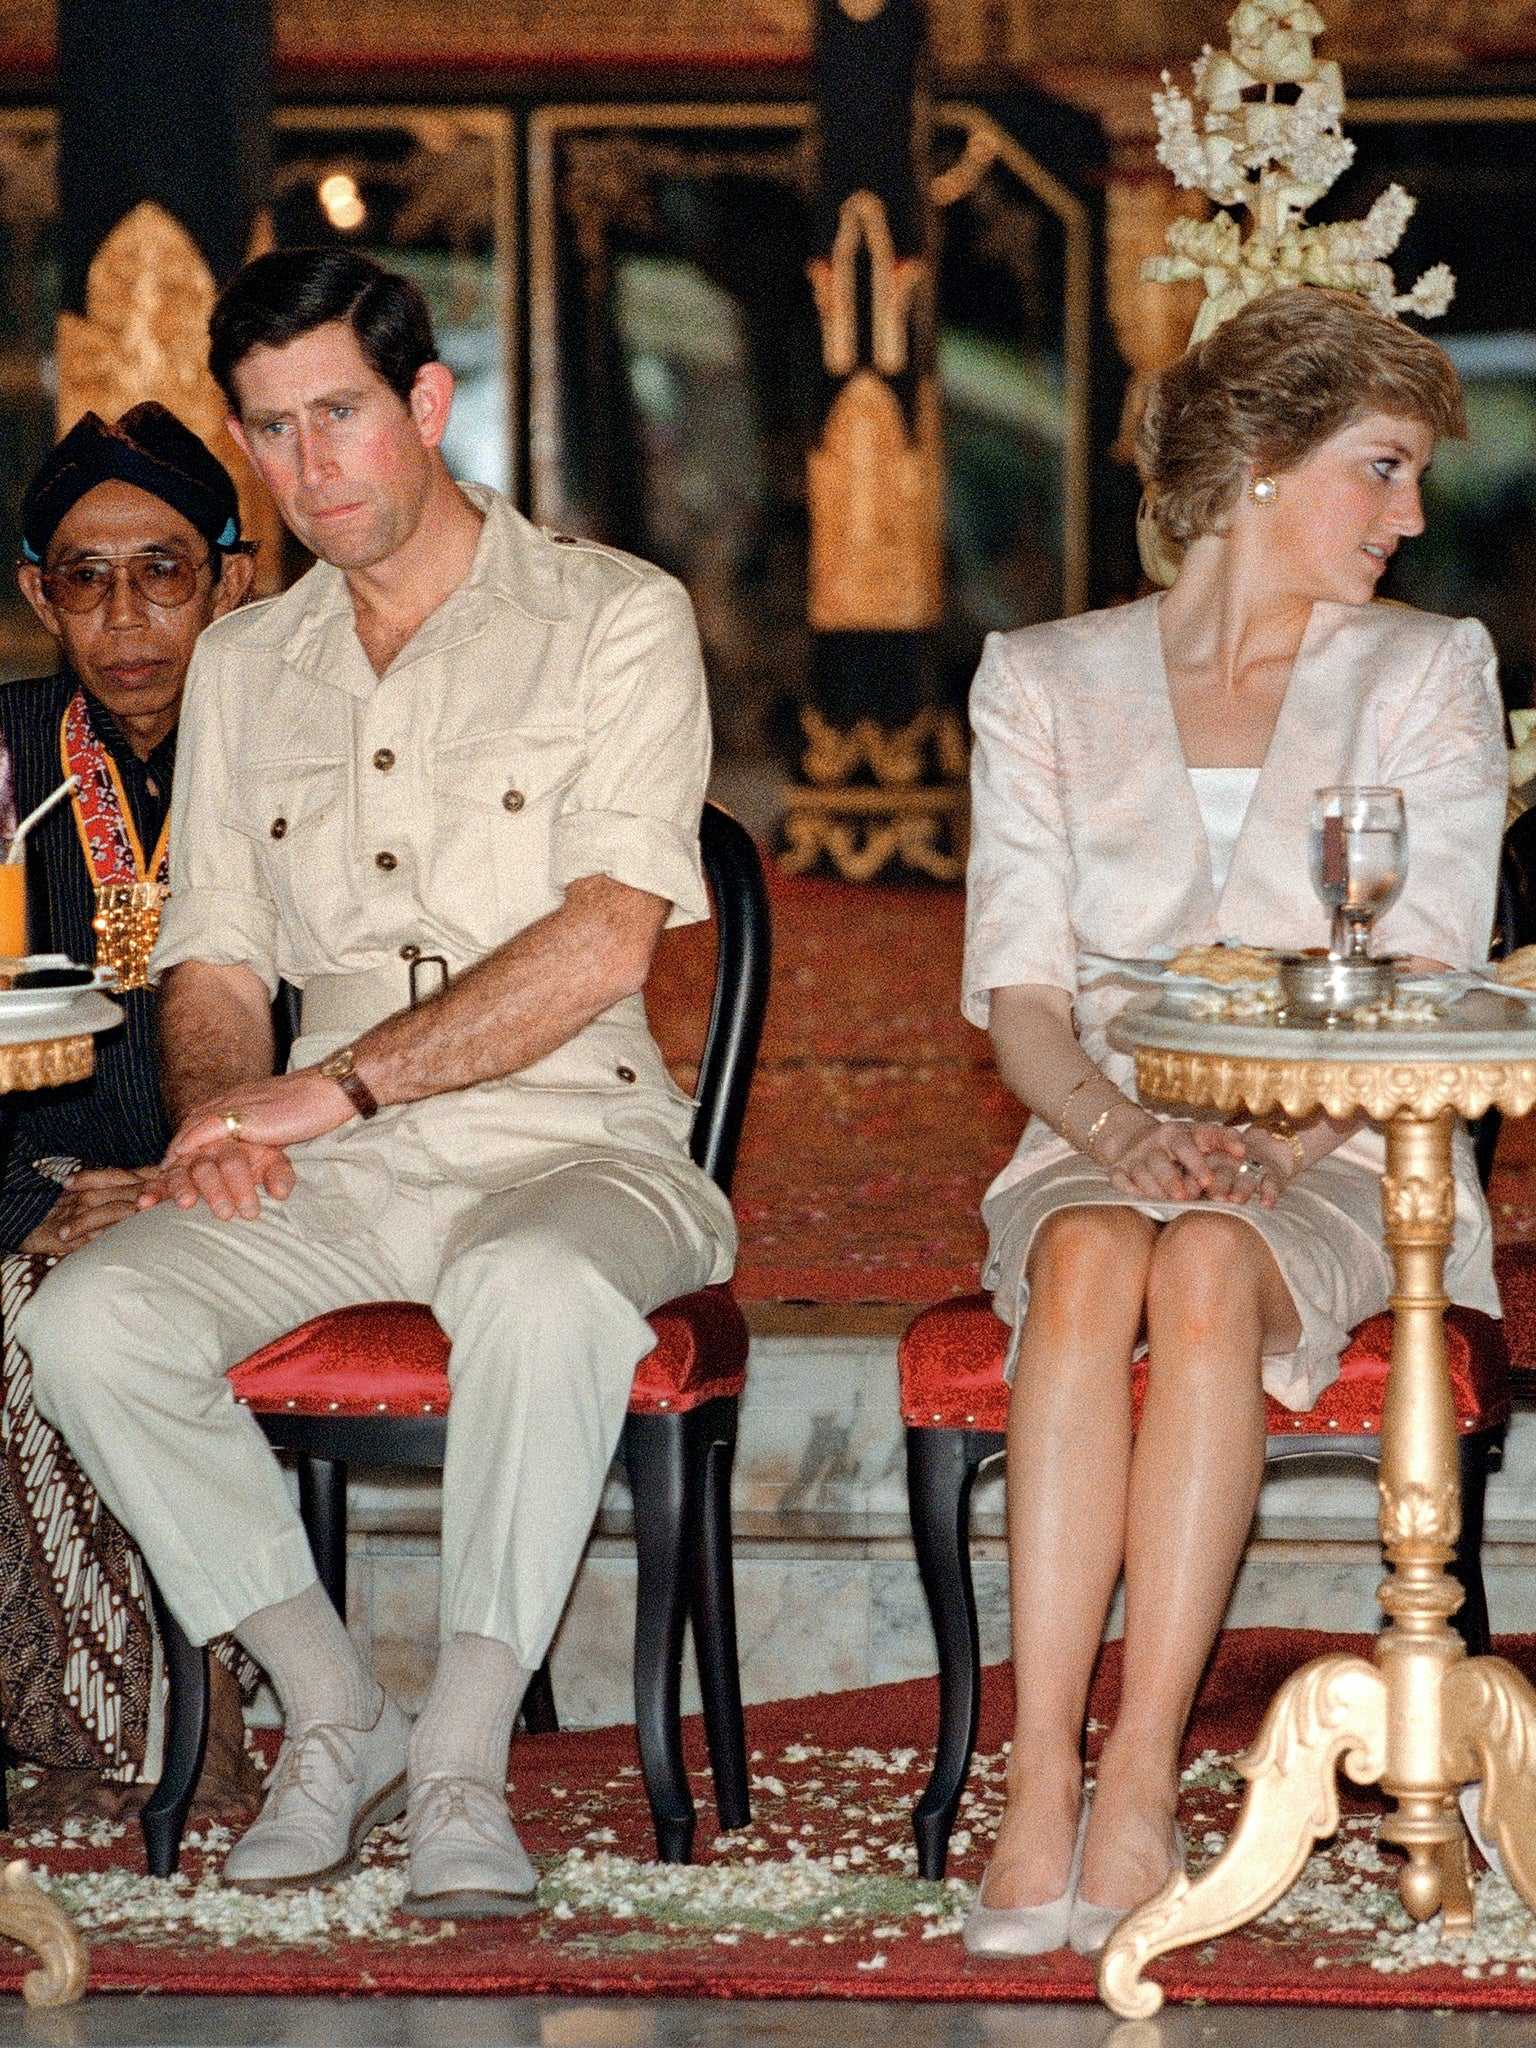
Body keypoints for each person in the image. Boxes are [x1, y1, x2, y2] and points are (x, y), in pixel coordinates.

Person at [17, 248, 736, 1914]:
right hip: (329, 1171)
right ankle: (339, 1710)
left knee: (536, 1281)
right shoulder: (252, 661)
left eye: (339, 413)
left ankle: (470, 1756)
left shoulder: (614, 615)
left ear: (426, 405)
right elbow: (210, 958)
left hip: (575, 1127)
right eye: (269, 431)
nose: (306, 464)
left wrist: (323, 1097)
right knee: (88, 1322)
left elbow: (606, 945)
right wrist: (214, 1113)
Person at [959, 287, 1505, 1958]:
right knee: (1094, 1253)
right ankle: (1036, 1773)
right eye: (1383, 468)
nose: (1410, 519)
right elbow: (1023, 1000)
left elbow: (1430, 979)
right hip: (1091, 1129)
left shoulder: (1426, 670)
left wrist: (1281, 1144)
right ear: (1265, 464)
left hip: (1355, 1142)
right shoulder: (1042, 678)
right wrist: (1121, 1134)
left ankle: (1137, 1777)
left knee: (1201, 1259)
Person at [0, 404, 258, 1820]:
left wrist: (173, 1179)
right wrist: (33, 1205)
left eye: (163, 570)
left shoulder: (301, 753)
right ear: (41, 594)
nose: (127, 615)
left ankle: (145, 1738)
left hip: (260, 1183)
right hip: (34, 1178)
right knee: (26, 1280)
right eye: (85, 578)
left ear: (234, 576)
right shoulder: (5, 760)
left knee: (57, 1315)